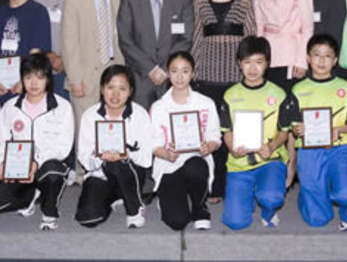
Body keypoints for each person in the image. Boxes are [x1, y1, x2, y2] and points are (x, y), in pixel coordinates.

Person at [191, 0, 257, 203]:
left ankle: (238, 186)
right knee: (213, 132)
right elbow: (197, 35)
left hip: (236, 74)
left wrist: (251, 69)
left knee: (238, 131)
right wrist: (193, 69)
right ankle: (215, 187)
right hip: (207, 74)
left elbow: (251, 33)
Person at [0, 53, 74, 231]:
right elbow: (2, 141)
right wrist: (2, 164)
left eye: (39, 78)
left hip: (46, 165)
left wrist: (35, 162)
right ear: (22, 79)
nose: (34, 83)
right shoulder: (10, 107)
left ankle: (49, 211)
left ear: (48, 79)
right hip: (17, 168)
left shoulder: (62, 107)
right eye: (28, 77)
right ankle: (32, 194)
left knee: (53, 171)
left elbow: (63, 147)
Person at [62, 0, 125, 182]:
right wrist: (75, 77)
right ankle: (83, 173)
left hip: (115, 72)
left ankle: (113, 171)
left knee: (113, 123)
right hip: (85, 74)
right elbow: (69, 43)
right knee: (84, 127)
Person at [255, 0, 313, 187]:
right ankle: (270, 166)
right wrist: (256, 59)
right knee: (270, 112)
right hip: (268, 55)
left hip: (291, 54)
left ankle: (291, 167)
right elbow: (258, 23)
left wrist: (302, 60)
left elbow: (307, 25)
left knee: (289, 116)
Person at [286, 34, 347, 230]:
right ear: (308, 58)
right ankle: (311, 195)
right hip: (310, 150)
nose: (321, 60)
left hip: (340, 146)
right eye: (316, 55)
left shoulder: (345, 88)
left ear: (335, 60)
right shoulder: (298, 89)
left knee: (346, 193)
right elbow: (292, 127)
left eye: (327, 56)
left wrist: (338, 129)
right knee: (316, 219)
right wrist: (298, 128)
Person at [219, 36, 292, 230]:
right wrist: (233, 149)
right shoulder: (230, 95)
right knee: (236, 222)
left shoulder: (278, 94)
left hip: (270, 160)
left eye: (259, 62)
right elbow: (227, 132)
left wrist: (272, 146)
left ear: (267, 64)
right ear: (239, 63)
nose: (252, 69)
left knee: (271, 197)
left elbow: (285, 132)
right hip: (239, 163)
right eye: (247, 62)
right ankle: (246, 197)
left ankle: (268, 210)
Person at [150, 52, 222, 230]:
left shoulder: (206, 103)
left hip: (196, 163)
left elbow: (216, 137)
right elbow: (153, 144)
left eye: (185, 71)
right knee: (177, 221)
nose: (180, 77)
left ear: (193, 74)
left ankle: (199, 207)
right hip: (169, 166)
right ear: (168, 73)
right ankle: (174, 195)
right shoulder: (159, 107)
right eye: (174, 71)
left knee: (196, 165)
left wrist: (208, 146)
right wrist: (166, 153)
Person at [75, 65, 153, 228]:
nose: (115, 94)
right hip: (100, 174)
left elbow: (146, 160)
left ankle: (134, 208)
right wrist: (98, 157)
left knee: (118, 163)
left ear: (131, 91)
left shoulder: (140, 115)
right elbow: (83, 157)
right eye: (110, 87)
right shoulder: (90, 116)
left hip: (129, 173)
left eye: (122, 89)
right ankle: (115, 195)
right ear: (102, 89)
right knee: (88, 218)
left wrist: (127, 155)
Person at [117, 0, 194, 109]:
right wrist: (151, 69)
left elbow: (186, 38)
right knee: (141, 128)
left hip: (173, 78)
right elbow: (125, 40)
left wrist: (167, 68)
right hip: (140, 78)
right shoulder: (129, 0)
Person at [30, 0, 78, 100]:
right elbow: (31, 34)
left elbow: (87, 34)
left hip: (75, 71)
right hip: (44, 71)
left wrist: (66, 59)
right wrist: (50, 57)